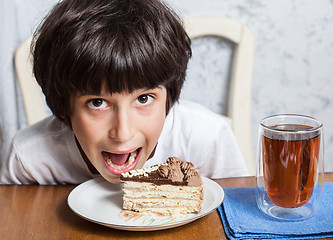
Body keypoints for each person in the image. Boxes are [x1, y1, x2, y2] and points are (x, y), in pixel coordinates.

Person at [0, 0, 248, 185]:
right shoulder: (30, 161)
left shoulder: (205, 138)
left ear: (168, 98)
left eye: (143, 99)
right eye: (97, 102)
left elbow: (238, 219)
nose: (123, 132)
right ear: (65, 108)